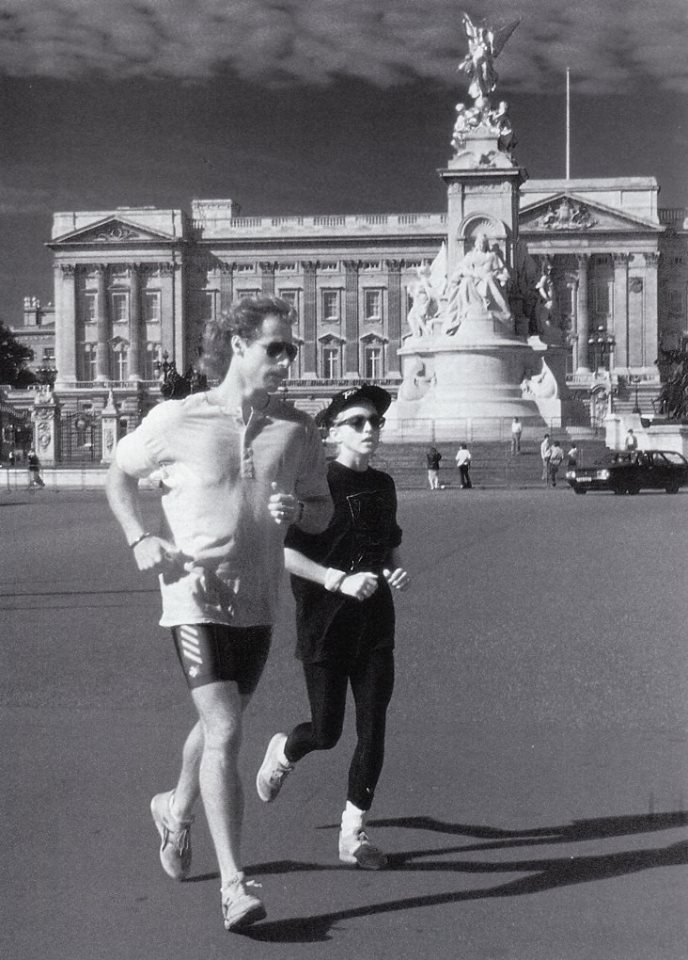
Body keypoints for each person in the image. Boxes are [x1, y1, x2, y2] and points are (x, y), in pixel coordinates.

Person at [105, 297, 332, 932]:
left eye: (292, 350)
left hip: (257, 602)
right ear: (236, 344)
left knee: (215, 729)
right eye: (275, 348)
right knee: (227, 729)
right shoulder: (177, 418)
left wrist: (301, 513)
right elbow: (118, 475)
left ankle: (175, 809)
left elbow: (322, 512)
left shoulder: (299, 429)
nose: (287, 360)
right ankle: (234, 884)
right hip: (193, 597)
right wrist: (138, 536)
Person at [255, 385, 410, 870]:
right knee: (326, 732)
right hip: (325, 622)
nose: (369, 430)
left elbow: (388, 544)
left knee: (373, 728)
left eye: (375, 422)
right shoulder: (315, 484)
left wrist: (394, 570)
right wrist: (337, 580)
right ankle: (284, 752)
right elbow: (285, 553)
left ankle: (353, 833)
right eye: (357, 422)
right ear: (332, 431)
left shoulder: (383, 485)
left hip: (375, 622)